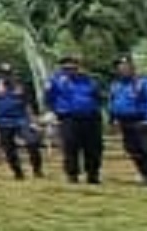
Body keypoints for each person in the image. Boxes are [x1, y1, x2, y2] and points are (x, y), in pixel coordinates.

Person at [44, 53, 108, 184]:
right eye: (66, 68)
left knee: (94, 148)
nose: (70, 70)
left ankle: (93, 175)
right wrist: (52, 113)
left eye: (73, 67)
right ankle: (72, 175)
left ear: (78, 67)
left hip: (91, 118)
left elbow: (100, 97)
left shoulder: (90, 80)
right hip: (69, 118)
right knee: (70, 147)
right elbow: (48, 99)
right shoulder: (55, 81)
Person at [108, 58, 147, 185]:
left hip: (144, 121)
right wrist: (113, 119)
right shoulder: (116, 85)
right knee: (133, 149)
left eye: (125, 67)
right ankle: (146, 174)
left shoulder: (145, 83)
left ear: (132, 68)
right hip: (125, 122)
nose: (123, 70)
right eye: (120, 67)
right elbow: (112, 103)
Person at [0, 62, 43, 180]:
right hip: (2, 120)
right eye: (3, 74)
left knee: (32, 142)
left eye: (9, 73)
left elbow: (28, 103)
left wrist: (34, 121)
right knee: (9, 148)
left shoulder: (21, 85)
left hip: (21, 119)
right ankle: (17, 172)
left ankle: (37, 169)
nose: (6, 76)